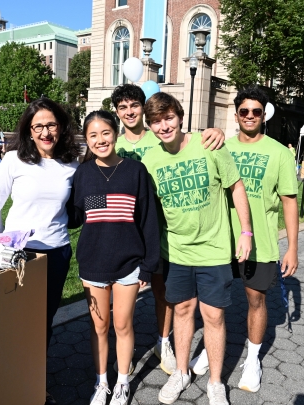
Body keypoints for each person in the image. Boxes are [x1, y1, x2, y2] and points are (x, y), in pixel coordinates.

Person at [0, 98, 80, 405]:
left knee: (43, 322)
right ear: (28, 129)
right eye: (38, 125)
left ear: (61, 127)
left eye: (51, 124)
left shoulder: (71, 163)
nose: (45, 132)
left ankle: (35, 382)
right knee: (11, 319)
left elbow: (81, 206)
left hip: (55, 253)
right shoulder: (14, 160)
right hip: (17, 253)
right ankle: (5, 378)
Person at [141, 92, 252, 405]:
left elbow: (236, 186)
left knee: (213, 316)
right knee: (182, 310)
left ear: (179, 116)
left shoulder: (209, 144)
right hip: (175, 251)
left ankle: (216, 382)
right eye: (156, 122)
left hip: (214, 249)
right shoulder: (151, 161)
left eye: (168, 118)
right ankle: (181, 371)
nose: (164, 126)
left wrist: (246, 231)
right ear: (150, 126)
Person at [188, 85, 299, 394]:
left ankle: (252, 359)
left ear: (264, 116)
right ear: (235, 115)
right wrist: (209, 130)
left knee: (256, 299)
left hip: (260, 242)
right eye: (244, 111)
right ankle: (211, 352)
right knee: (213, 303)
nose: (250, 116)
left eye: (256, 112)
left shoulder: (278, 152)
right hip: (219, 240)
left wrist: (292, 247)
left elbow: (290, 201)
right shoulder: (219, 144)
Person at [111, 84, 226, 376]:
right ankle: (127, 348)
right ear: (117, 113)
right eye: (122, 108)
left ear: (143, 108)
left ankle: (164, 343)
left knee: (164, 293)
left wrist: (217, 131)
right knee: (127, 293)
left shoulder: (160, 136)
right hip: (128, 231)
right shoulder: (115, 144)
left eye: (134, 105)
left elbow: (194, 144)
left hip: (164, 233)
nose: (129, 112)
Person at [70, 110, 159, 405]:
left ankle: (122, 382)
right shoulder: (82, 174)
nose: (100, 140)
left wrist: (148, 265)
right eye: (92, 135)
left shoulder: (135, 171)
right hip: (93, 263)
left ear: (115, 133)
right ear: (86, 140)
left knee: (122, 325)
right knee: (99, 327)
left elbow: (148, 221)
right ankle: (101, 382)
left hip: (129, 265)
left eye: (105, 133)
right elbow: (74, 215)